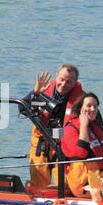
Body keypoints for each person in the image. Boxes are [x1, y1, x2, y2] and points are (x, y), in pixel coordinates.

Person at [25, 63, 83, 192]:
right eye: (61, 79)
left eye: (68, 82)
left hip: (63, 146)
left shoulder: (81, 101)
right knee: (38, 189)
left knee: (65, 188)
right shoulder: (43, 91)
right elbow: (22, 108)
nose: (63, 84)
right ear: (56, 78)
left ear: (74, 83)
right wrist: (34, 93)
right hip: (41, 145)